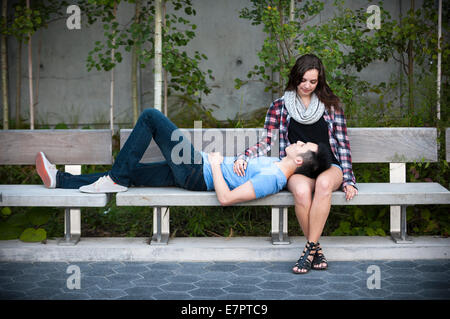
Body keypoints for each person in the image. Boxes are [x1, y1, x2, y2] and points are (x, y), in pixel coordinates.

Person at [36, 108, 331, 207]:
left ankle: (114, 178)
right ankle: (60, 179)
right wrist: (238, 160)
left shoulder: (274, 178)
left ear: (302, 161)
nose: (299, 141)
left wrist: (216, 165)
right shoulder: (275, 164)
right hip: (195, 168)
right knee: (133, 176)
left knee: (151, 117)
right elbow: (245, 168)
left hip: (196, 171)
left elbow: (226, 198)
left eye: (304, 144)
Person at [234, 54, 358, 274]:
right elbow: (267, 140)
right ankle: (316, 250)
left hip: (330, 166)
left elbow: (343, 145)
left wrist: (349, 179)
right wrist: (244, 156)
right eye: (303, 80)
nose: (307, 86)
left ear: (319, 81)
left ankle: (307, 252)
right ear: (295, 77)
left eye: (313, 81)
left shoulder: (331, 105)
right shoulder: (280, 106)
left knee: (322, 186)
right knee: (301, 191)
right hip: (299, 166)